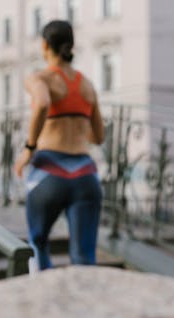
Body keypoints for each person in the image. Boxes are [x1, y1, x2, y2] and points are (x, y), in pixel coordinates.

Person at [14, 20, 105, 271]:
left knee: (38, 244)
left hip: (49, 171)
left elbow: (42, 103)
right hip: (85, 174)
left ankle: (44, 306)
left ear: (44, 45)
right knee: (84, 258)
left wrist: (28, 149)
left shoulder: (39, 78)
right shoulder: (87, 85)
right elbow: (99, 137)